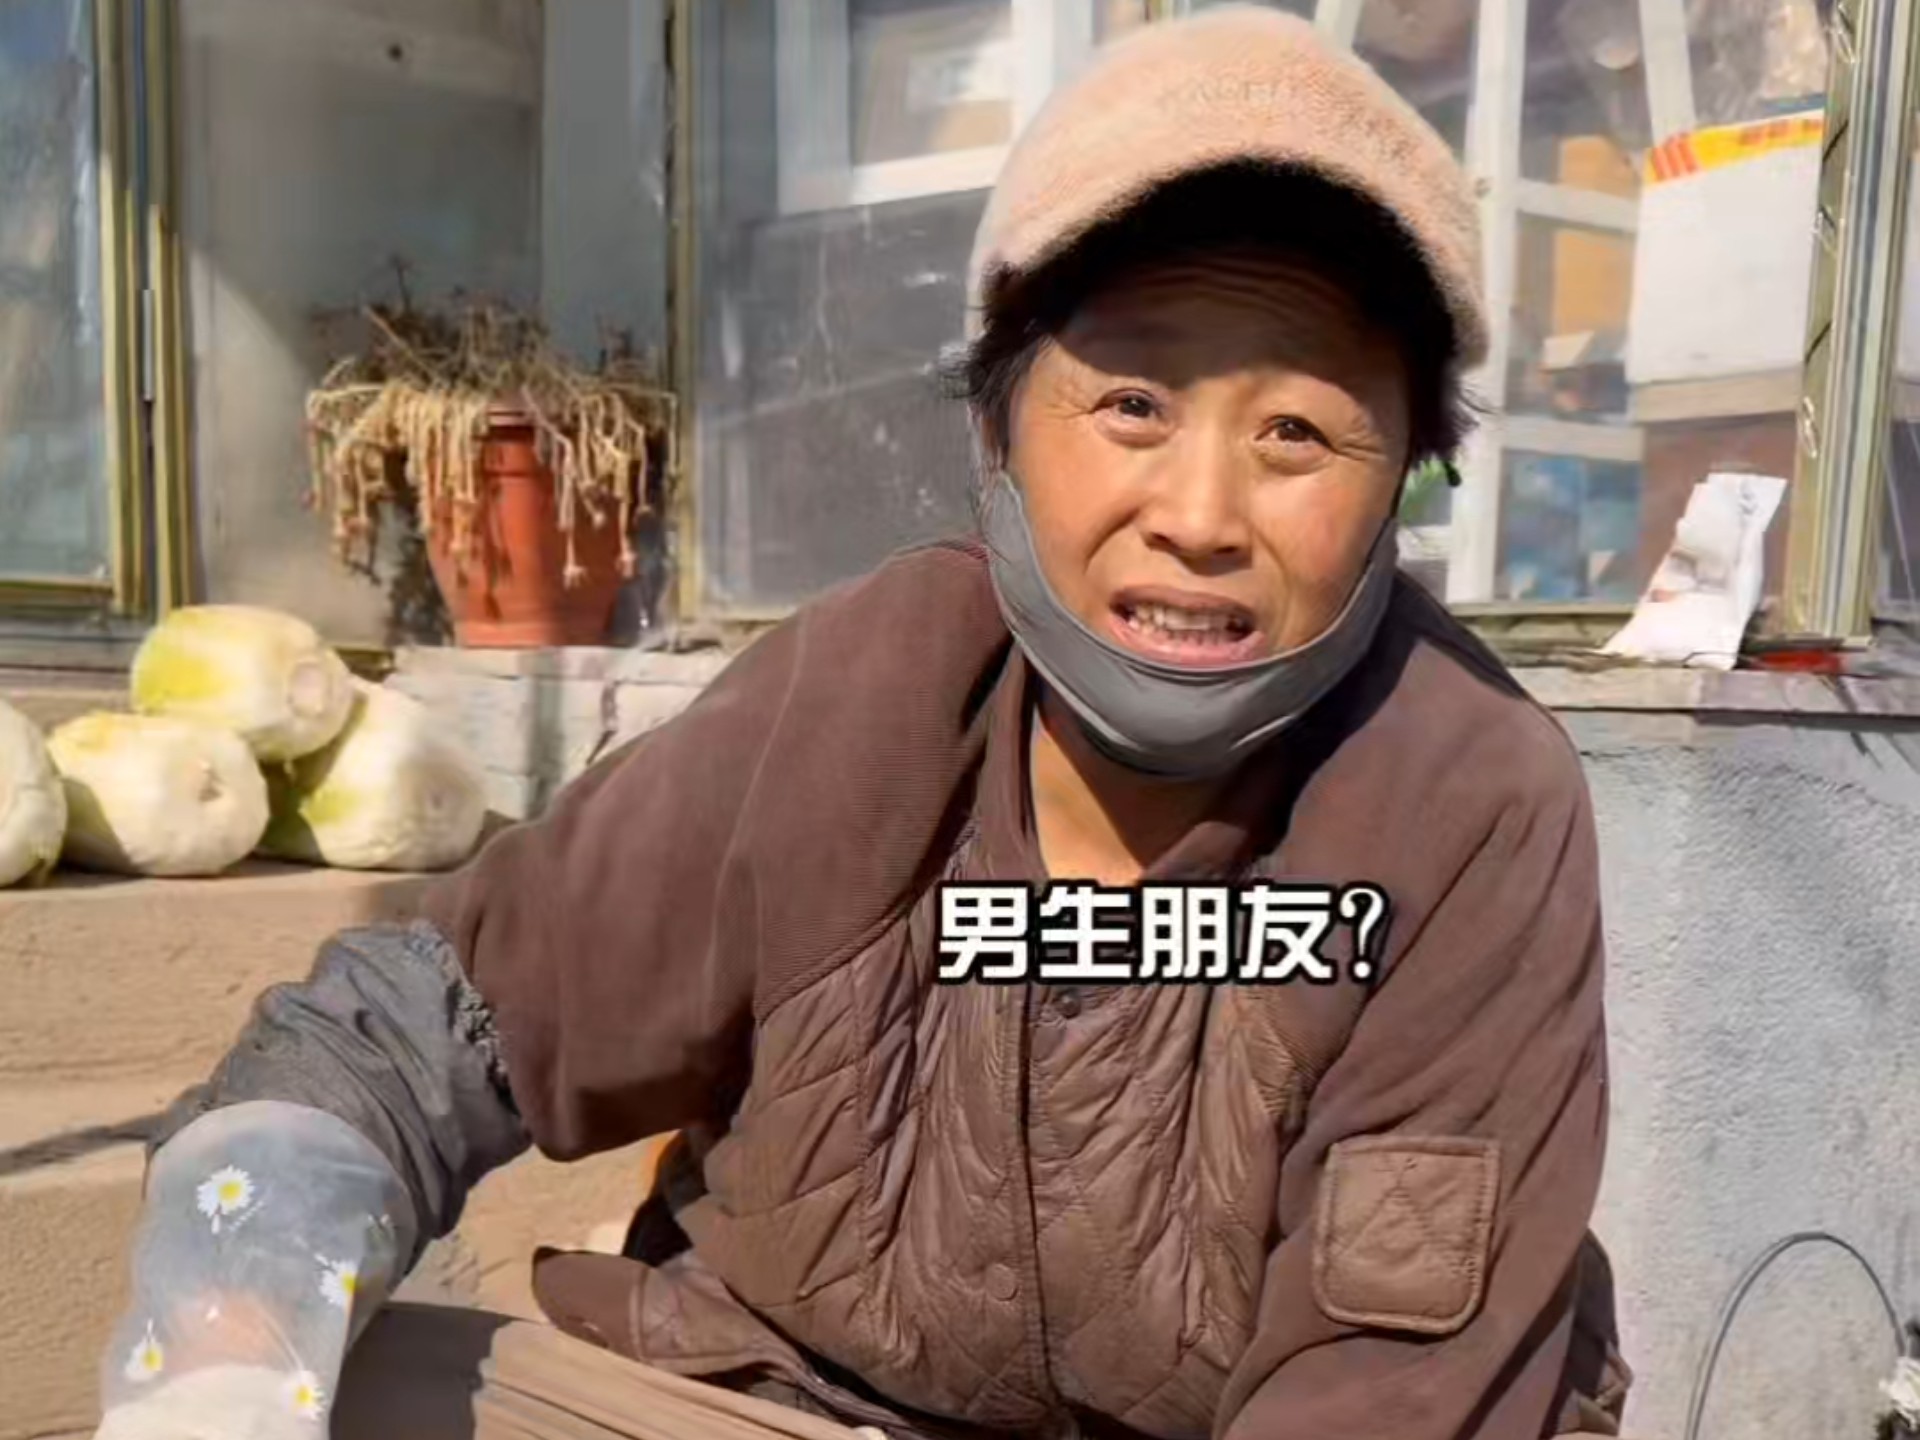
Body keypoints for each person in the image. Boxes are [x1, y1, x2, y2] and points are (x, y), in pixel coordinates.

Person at [90, 9, 1629, 1439]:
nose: (1202, 515)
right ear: (999, 425)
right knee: (363, 1386)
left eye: (1298, 430)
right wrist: (231, 1348)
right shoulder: (871, 689)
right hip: (792, 1410)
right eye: (1133, 405)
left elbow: (1382, 1397)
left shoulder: (1464, 800)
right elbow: (407, 1038)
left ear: (1402, 479)